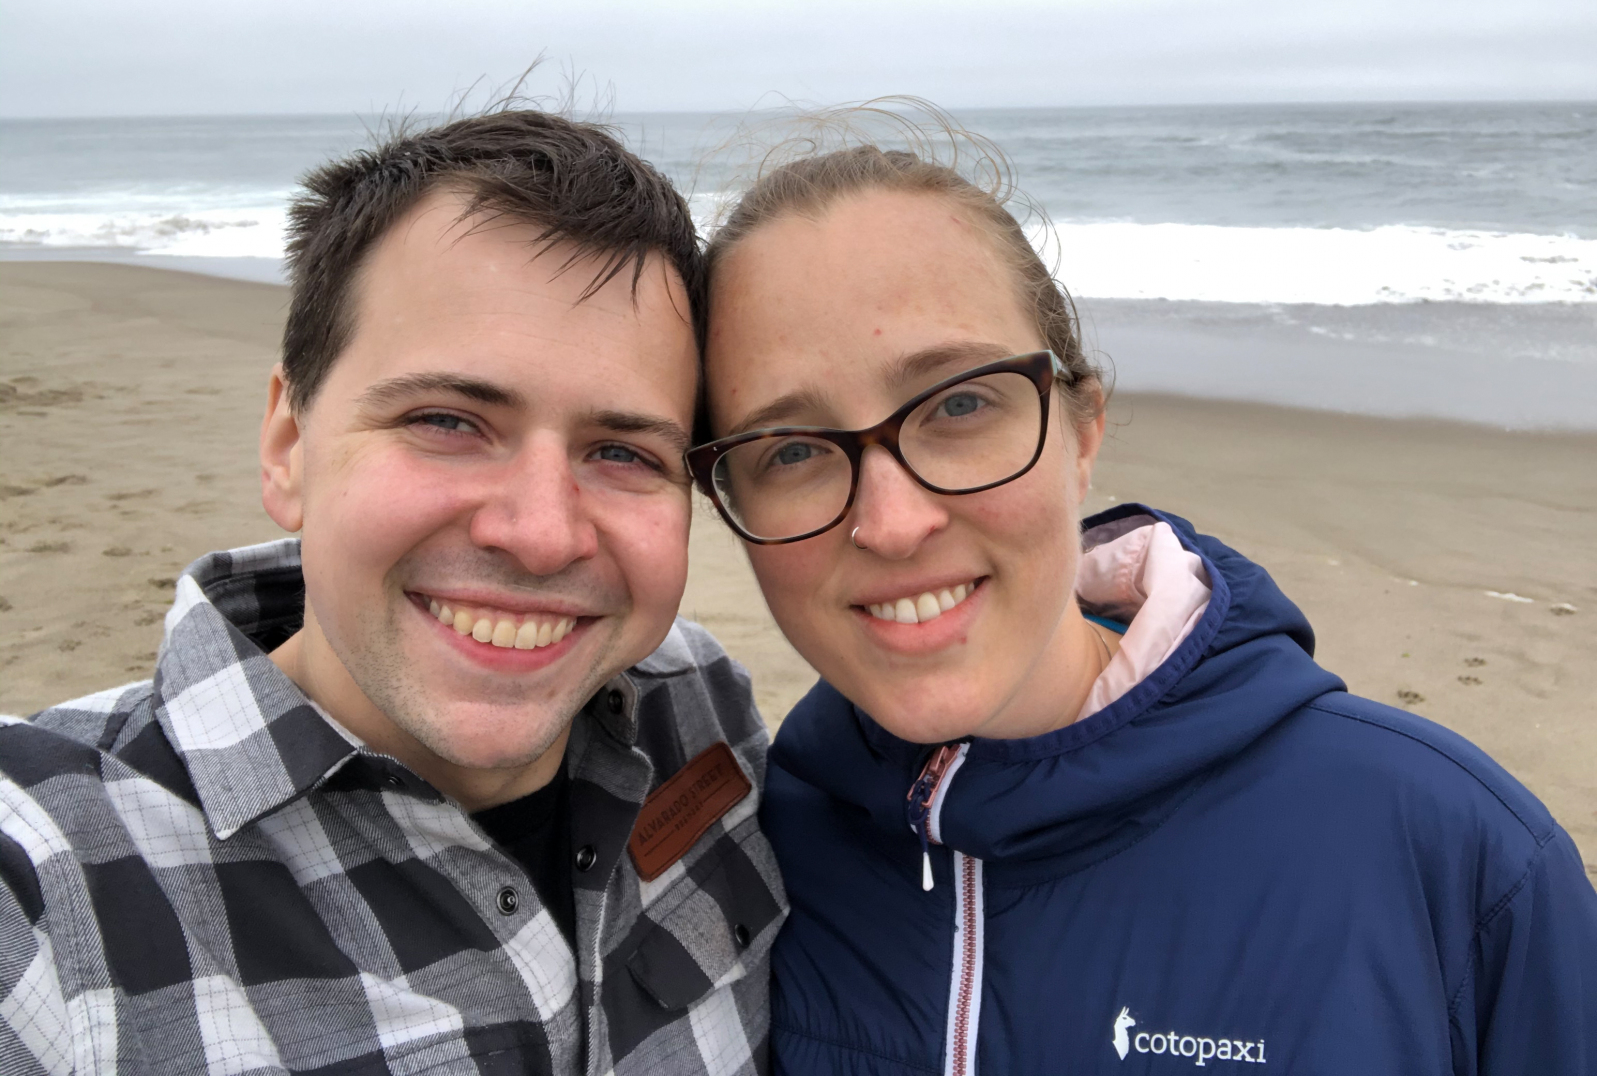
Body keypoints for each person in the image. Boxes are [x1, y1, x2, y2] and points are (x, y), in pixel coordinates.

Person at [687, 120, 1597, 1073]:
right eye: (789, 450)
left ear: (1081, 431)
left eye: (959, 403)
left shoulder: (1448, 857)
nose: (892, 523)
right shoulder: (758, 849)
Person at [0, 110, 784, 1075]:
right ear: (289, 445)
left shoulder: (697, 711)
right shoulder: (45, 884)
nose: (541, 534)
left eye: (622, 452)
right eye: (447, 422)